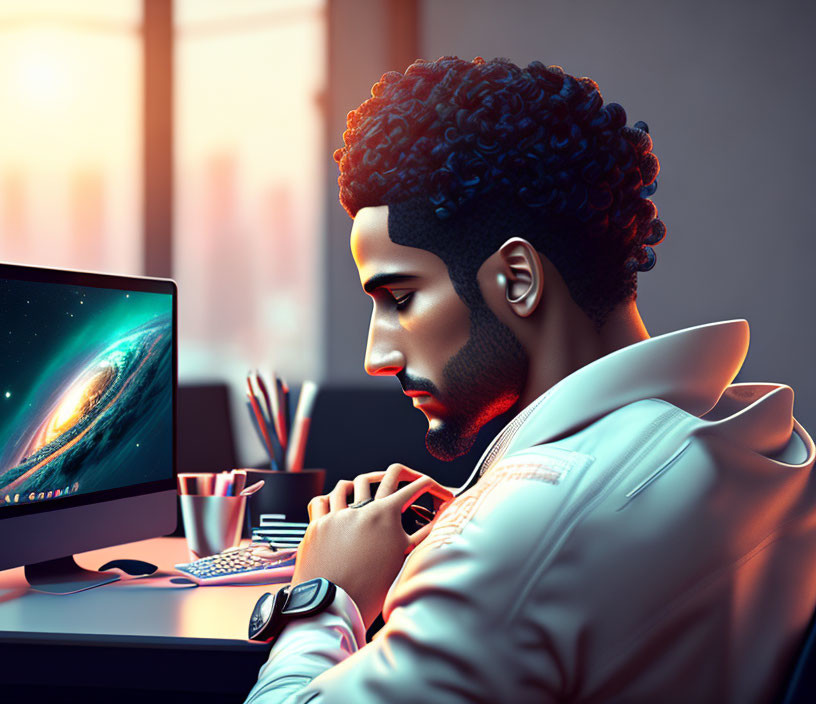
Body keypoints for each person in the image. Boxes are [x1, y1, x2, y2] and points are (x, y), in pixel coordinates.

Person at [244, 57, 816, 703]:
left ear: (517, 279)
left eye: (400, 298)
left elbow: (538, 550)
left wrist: (324, 598)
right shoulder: (770, 439)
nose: (377, 355)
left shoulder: (518, 536)